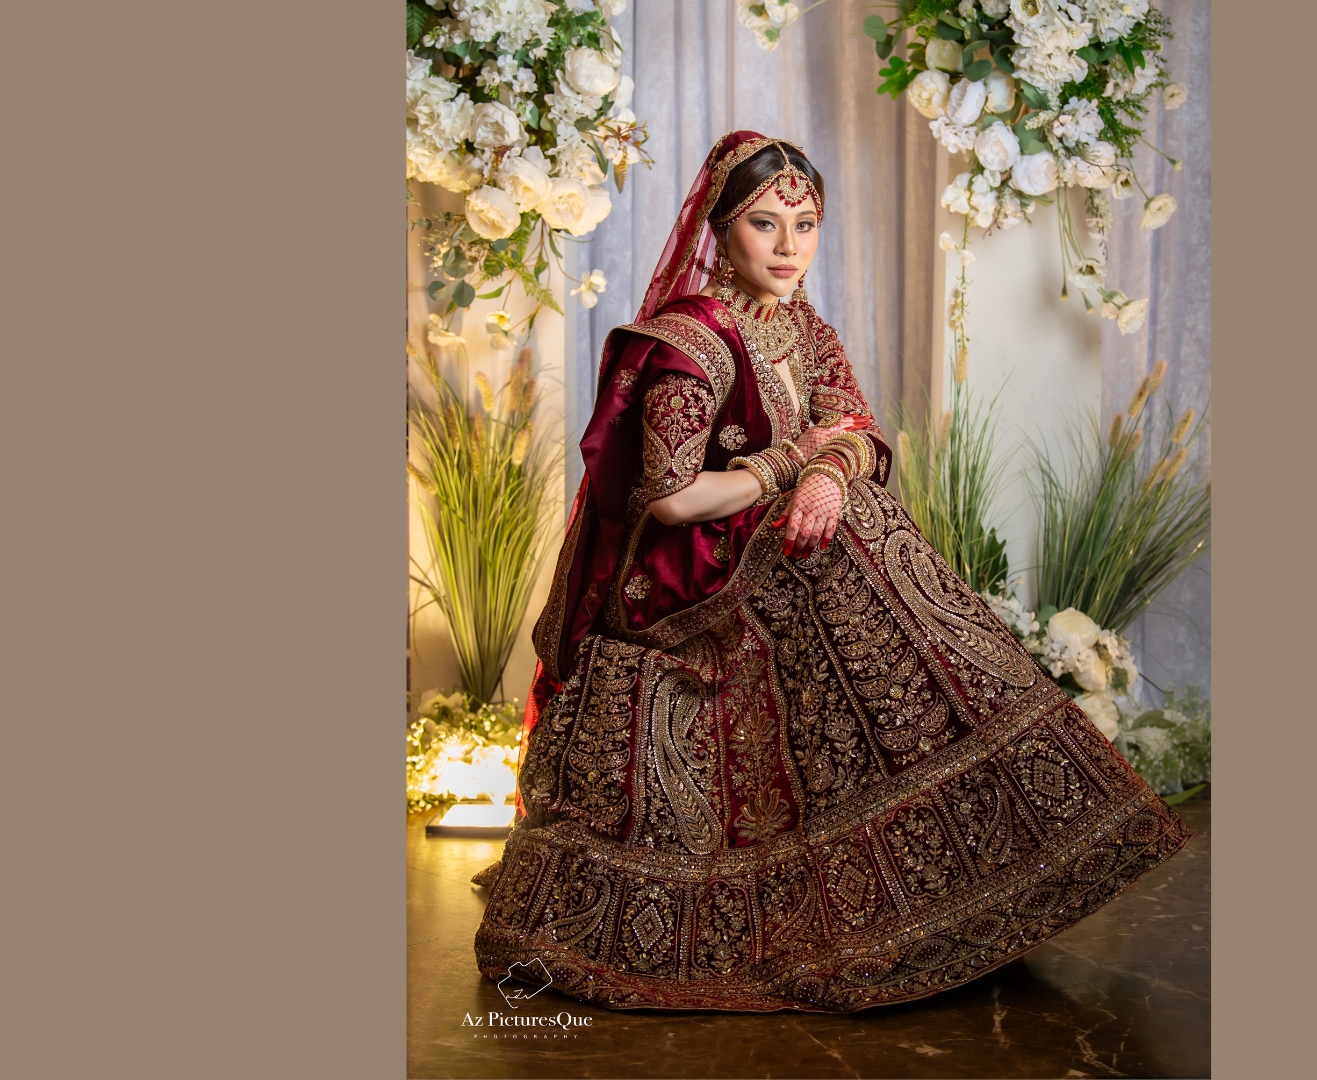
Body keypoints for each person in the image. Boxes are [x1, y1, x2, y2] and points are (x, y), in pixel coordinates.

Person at [473, 131, 1192, 1013]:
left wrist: (825, 472)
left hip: (773, 547)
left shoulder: (803, 327)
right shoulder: (684, 342)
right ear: (720, 230)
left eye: (805, 225)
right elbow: (669, 500)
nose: (788, 248)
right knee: (853, 539)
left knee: (861, 518)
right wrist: (787, 470)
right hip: (682, 585)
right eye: (765, 225)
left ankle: (990, 854)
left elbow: (853, 423)